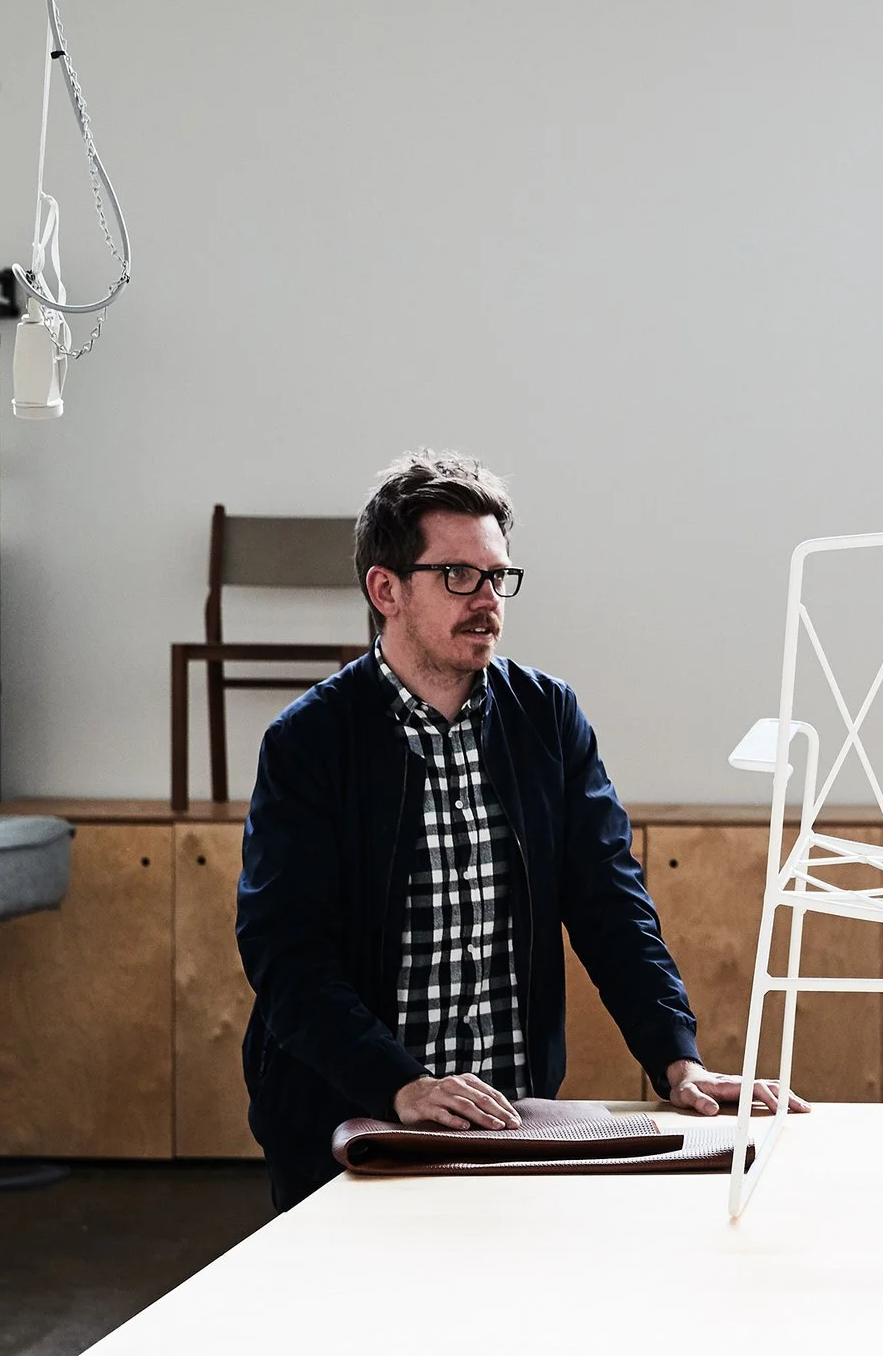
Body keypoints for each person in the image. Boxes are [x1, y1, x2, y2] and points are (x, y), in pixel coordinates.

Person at [236, 451, 804, 1209]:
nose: (488, 599)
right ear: (386, 589)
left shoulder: (548, 718)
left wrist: (678, 1061)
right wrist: (400, 1083)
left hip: (513, 1120)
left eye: (498, 575)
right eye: (458, 575)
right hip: (352, 1119)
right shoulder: (308, 741)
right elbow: (287, 953)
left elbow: (610, 905)